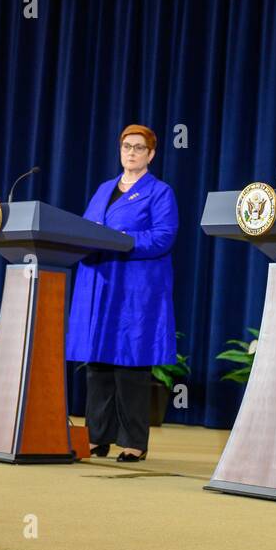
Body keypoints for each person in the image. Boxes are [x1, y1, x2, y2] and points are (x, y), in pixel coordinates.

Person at [66, 125, 178, 461]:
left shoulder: (160, 192)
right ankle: (98, 437)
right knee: (97, 363)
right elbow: (87, 229)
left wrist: (119, 239)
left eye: (139, 148)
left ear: (151, 154)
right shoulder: (103, 189)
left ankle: (133, 442)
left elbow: (163, 238)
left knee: (131, 365)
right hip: (98, 285)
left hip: (134, 290)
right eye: (126, 146)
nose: (131, 152)